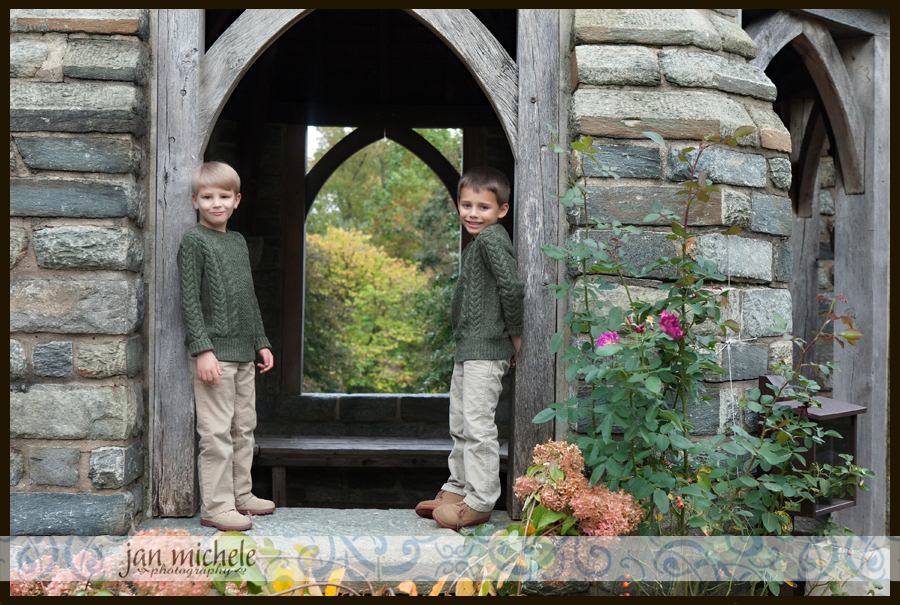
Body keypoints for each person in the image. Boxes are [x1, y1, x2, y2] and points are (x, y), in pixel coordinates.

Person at [416, 167, 525, 530]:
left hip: (486, 351)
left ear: (502, 211)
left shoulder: (493, 239)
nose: (473, 213)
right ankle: (458, 486)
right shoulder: (479, 242)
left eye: (483, 207)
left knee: (477, 426)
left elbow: (511, 286)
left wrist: (516, 334)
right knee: (460, 422)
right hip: (469, 349)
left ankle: (479, 500)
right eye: (466, 205)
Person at [177, 161, 276, 532]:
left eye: (223, 196)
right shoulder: (194, 241)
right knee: (216, 432)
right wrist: (202, 349)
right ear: (195, 200)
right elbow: (188, 300)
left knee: (243, 427)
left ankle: (241, 494)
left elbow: (248, 298)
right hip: (214, 356)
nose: (215, 203)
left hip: (244, 354)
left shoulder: (236, 242)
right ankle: (217, 506)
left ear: (237, 200)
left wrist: (261, 342)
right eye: (207, 197)